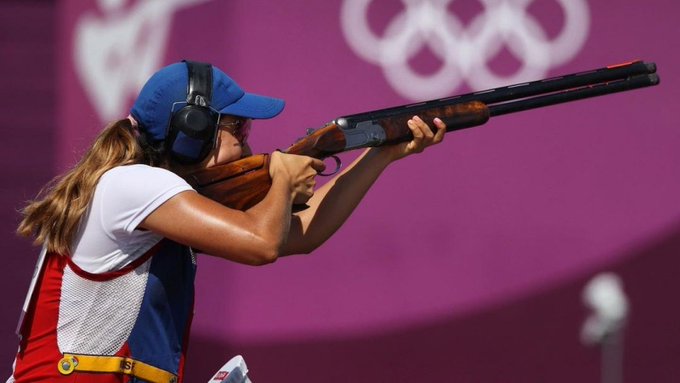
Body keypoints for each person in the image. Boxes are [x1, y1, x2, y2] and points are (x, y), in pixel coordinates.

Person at [8, 60, 446, 382]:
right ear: (192, 130)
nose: (248, 143)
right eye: (238, 129)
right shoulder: (133, 185)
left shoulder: (147, 193)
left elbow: (299, 235)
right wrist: (280, 180)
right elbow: (261, 245)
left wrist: (380, 154)